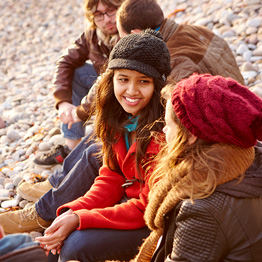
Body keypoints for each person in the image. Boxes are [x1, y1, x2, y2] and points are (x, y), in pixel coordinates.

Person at [1, 0, 247, 234]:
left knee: (97, 147)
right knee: (106, 131)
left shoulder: (175, 64)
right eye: (99, 14)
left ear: (138, 32)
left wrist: (86, 114)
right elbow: (82, 69)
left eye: (123, 35)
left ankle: (47, 207)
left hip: (200, 140)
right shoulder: (187, 32)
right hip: (206, 120)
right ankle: (60, 185)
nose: (117, 35)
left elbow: (167, 113)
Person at [34, 29, 171, 262]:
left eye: (144, 82)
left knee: (75, 245)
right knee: (55, 241)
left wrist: (81, 219)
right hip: (131, 207)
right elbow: (110, 179)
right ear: (111, 79)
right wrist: (72, 212)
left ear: (157, 86)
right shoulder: (117, 117)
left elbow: (148, 207)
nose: (131, 91)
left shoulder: (163, 132)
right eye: (123, 79)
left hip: (157, 221)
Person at [135, 73, 262, 262]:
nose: (164, 130)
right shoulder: (249, 159)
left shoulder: (202, 207)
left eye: (169, 125)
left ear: (191, 135)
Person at [33, 0, 124, 167]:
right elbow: (65, 62)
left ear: (122, 7)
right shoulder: (92, 35)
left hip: (127, 93)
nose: (107, 19)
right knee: (78, 71)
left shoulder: (132, 30)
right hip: (103, 87)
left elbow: (109, 79)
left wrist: (81, 112)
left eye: (111, 10)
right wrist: (63, 102)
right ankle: (71, 146)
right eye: (99, 15)